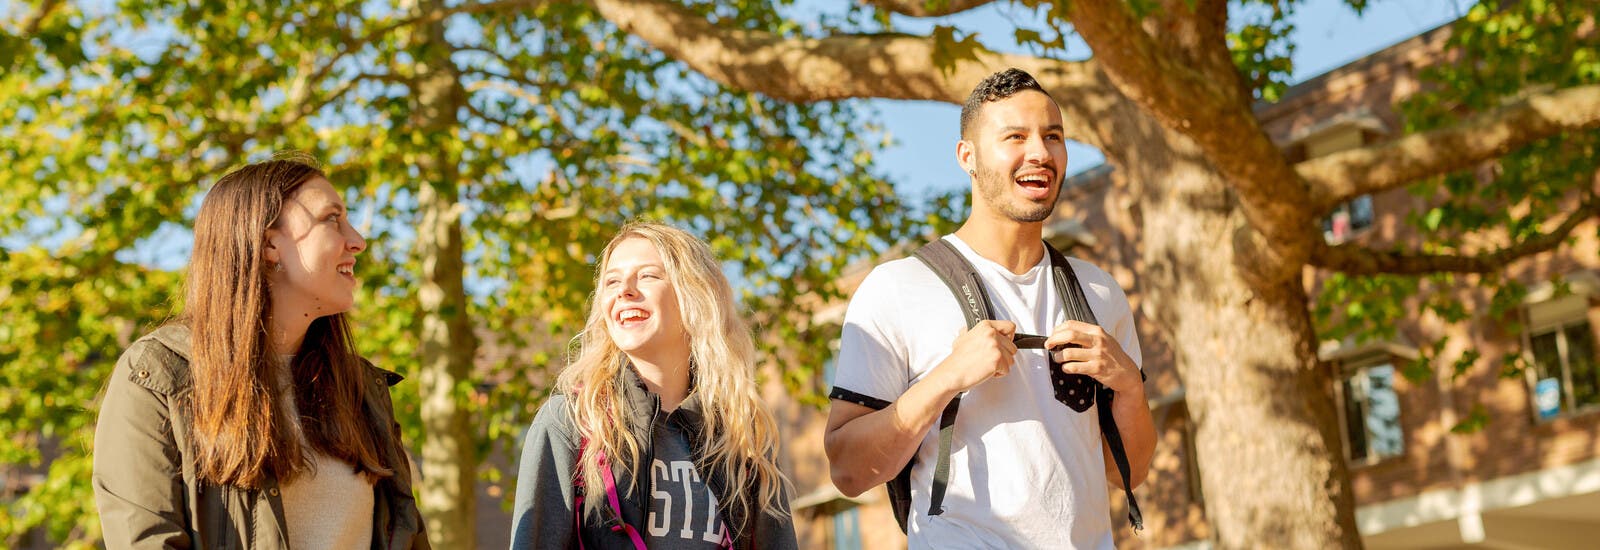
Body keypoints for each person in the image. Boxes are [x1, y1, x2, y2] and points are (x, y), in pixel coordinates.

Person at [824, 68, 1157, 549]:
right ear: (968, 156)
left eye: (1053, 137)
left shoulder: (1099, 292)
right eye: (1015, 137)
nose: (1040, 153)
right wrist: (947, 378)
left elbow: (1130, 469)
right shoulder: (897, 288)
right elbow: (848, 470)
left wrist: (1128, 385)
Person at [92, 155, 429, 549]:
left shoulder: (361, 390)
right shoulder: (157, 376)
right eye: (332, 219)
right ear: (270, 243)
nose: (357, 240)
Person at [509, 222, 797, 550]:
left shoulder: (744, 435)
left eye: (647, 275)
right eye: (612, 281)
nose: (625, 290)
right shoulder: (569, 422)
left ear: (696, 295)